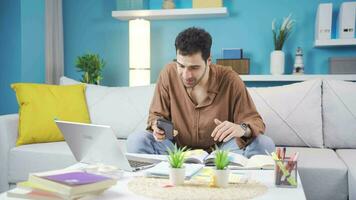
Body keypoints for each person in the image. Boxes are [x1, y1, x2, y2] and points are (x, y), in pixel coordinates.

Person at [127, 27, 275, 158]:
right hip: (175, 152)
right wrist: (156, 127)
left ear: (208, 61)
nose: (186, 74)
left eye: (194, 68)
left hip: (221, 153)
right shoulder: (168, 73)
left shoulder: (230, 79)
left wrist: (241, 129)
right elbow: (156, 116)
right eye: (181, 66)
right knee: (136, 140)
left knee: (264, 144)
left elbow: (255, 121)